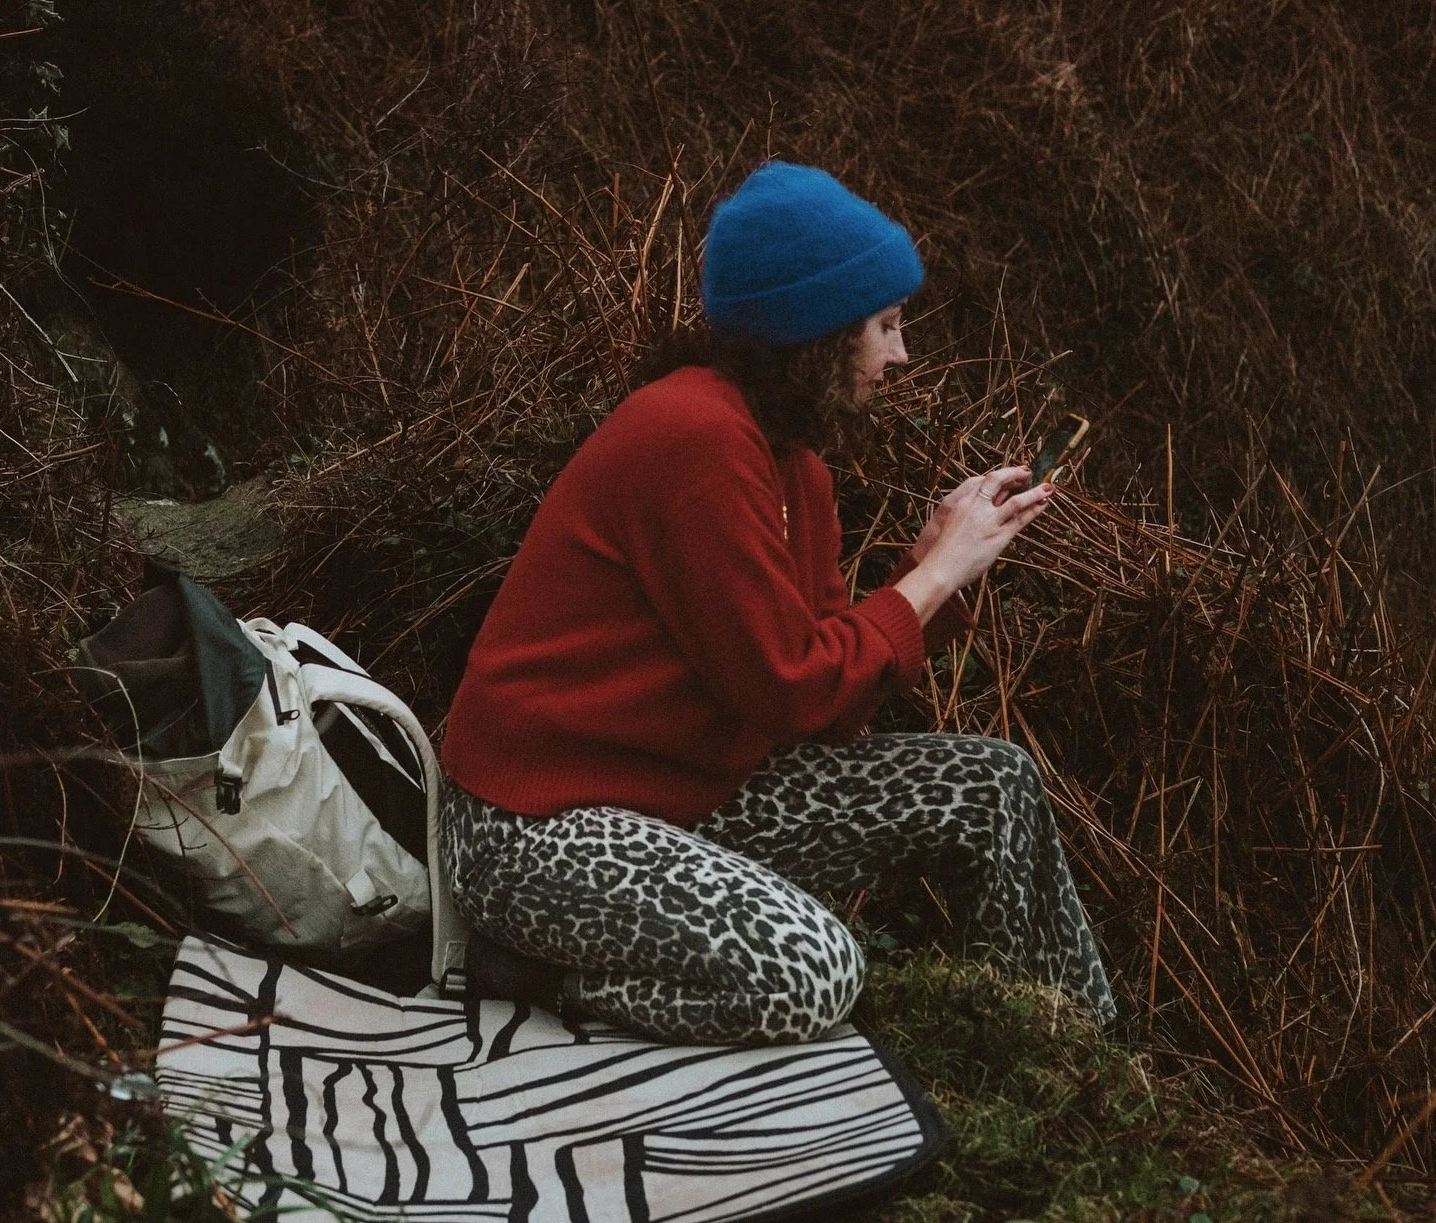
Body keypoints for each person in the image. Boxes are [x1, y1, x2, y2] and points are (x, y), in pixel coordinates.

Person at [439, 162, 1116, 1043]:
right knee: (813, 972)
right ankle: (529, 976)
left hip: (675, 792)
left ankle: (1070, 1053)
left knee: (990, 784)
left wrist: (929, 567)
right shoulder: (692, 437)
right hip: (530, 830)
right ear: (819, 333)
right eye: (886, 326)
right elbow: (790, 687)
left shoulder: (794, 464)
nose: (900, 357)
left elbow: (823, 705)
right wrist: (936, 576)